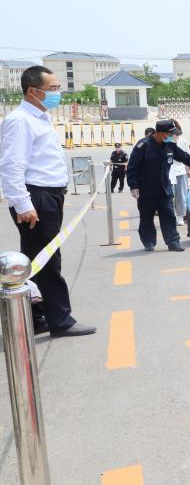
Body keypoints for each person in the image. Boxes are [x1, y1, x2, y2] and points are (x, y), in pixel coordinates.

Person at [0, 65, 96, 337]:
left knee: (35, 261)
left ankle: (36, 316)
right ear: (33, 91)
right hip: (37, 197)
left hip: (49, 195)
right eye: (52, 88)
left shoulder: (40, 118)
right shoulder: (20, 120)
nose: (57, 93)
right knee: (47, 261)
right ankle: (60, 321)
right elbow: (11, 166)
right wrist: (23, 204)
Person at [127, 119, 190, 252]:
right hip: (146, 190)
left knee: (169, 215)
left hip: (164, 188)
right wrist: (133, 186)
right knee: (146, 217)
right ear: (161, 133)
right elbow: (132, 167)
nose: (173, 136)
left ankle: (173, 242)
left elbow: (186, 157)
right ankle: (149, 242)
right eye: (171, 134)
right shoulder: (143, 145)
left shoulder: (169, 146)